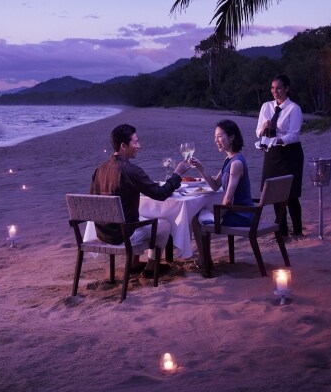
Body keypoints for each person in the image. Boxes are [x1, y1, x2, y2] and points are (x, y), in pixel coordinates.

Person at [90, 124, 194, 278]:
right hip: (123, 236)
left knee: (138, 218)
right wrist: (177, 174)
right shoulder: (131, 171)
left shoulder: (99, 169)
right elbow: (160, 194)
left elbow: (94, 200)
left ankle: (134, 264)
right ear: (123, 146)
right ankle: (151, 268)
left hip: (103, 234)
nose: (139, 146)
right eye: (135, 142)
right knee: (165, 225)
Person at [256, 74, 304, 237]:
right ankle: (282, 233)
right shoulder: (266, 106)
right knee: (275, 194)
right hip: (272, 154)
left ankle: (297, 232)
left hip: (290, 154)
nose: (274, 91)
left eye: (278, 88)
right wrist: (263, 129)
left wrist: (277, 140)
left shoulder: (294, 109)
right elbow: (258, 131)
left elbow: (294, 135)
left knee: (291, 195)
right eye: (272, 88)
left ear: (287, 88)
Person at [190, 119, 254, 227]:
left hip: (241, 215)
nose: (216, 140)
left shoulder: (236, 164)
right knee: (199, 214)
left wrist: (216, 216)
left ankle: (204, 237)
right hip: (237, 212)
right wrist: (200, 168)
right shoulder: (229, 159)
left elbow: (228, 200)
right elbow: (215, 185)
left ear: (231, 137)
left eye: (219, 136)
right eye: (215, 136)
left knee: (196, 216)